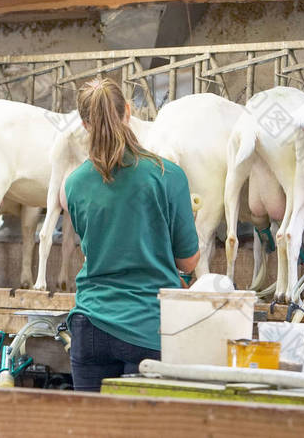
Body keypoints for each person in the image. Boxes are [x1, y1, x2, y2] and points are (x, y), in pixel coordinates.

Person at [64, 77, 200, 392]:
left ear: (85, 124)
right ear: (128, 110)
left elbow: (96, 246)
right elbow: (189, 261)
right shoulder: (168, 176)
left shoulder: (74, 184)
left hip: (91, 323)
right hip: (149, 328)